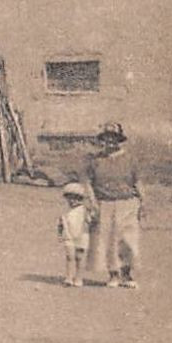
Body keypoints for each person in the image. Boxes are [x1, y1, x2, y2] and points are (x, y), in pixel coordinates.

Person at [83, 122, 142, 289]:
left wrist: (143, 203)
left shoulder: (130, 159)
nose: (110, 142)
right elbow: (88, 182)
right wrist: (92, 202)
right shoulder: (96, 161)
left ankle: (127, 274)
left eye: (114, 139)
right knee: (108, 241)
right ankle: (113, 275)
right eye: (106, 139)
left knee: (128, 240)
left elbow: (137, 182)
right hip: (105, 203)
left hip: (127, 203)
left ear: (119, 140)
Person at [56, 181, 95, 287]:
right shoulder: (66, 212)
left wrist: (90, 213)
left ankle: (78, 277)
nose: (73, 201)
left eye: (77, 198)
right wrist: (60, 235)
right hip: (69, 235)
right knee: (70, 256)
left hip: (82, 235)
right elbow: (60, 224)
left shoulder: (84, 210)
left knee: (80, 257)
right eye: (70, 198)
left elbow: (90, 221)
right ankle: (69, 277)